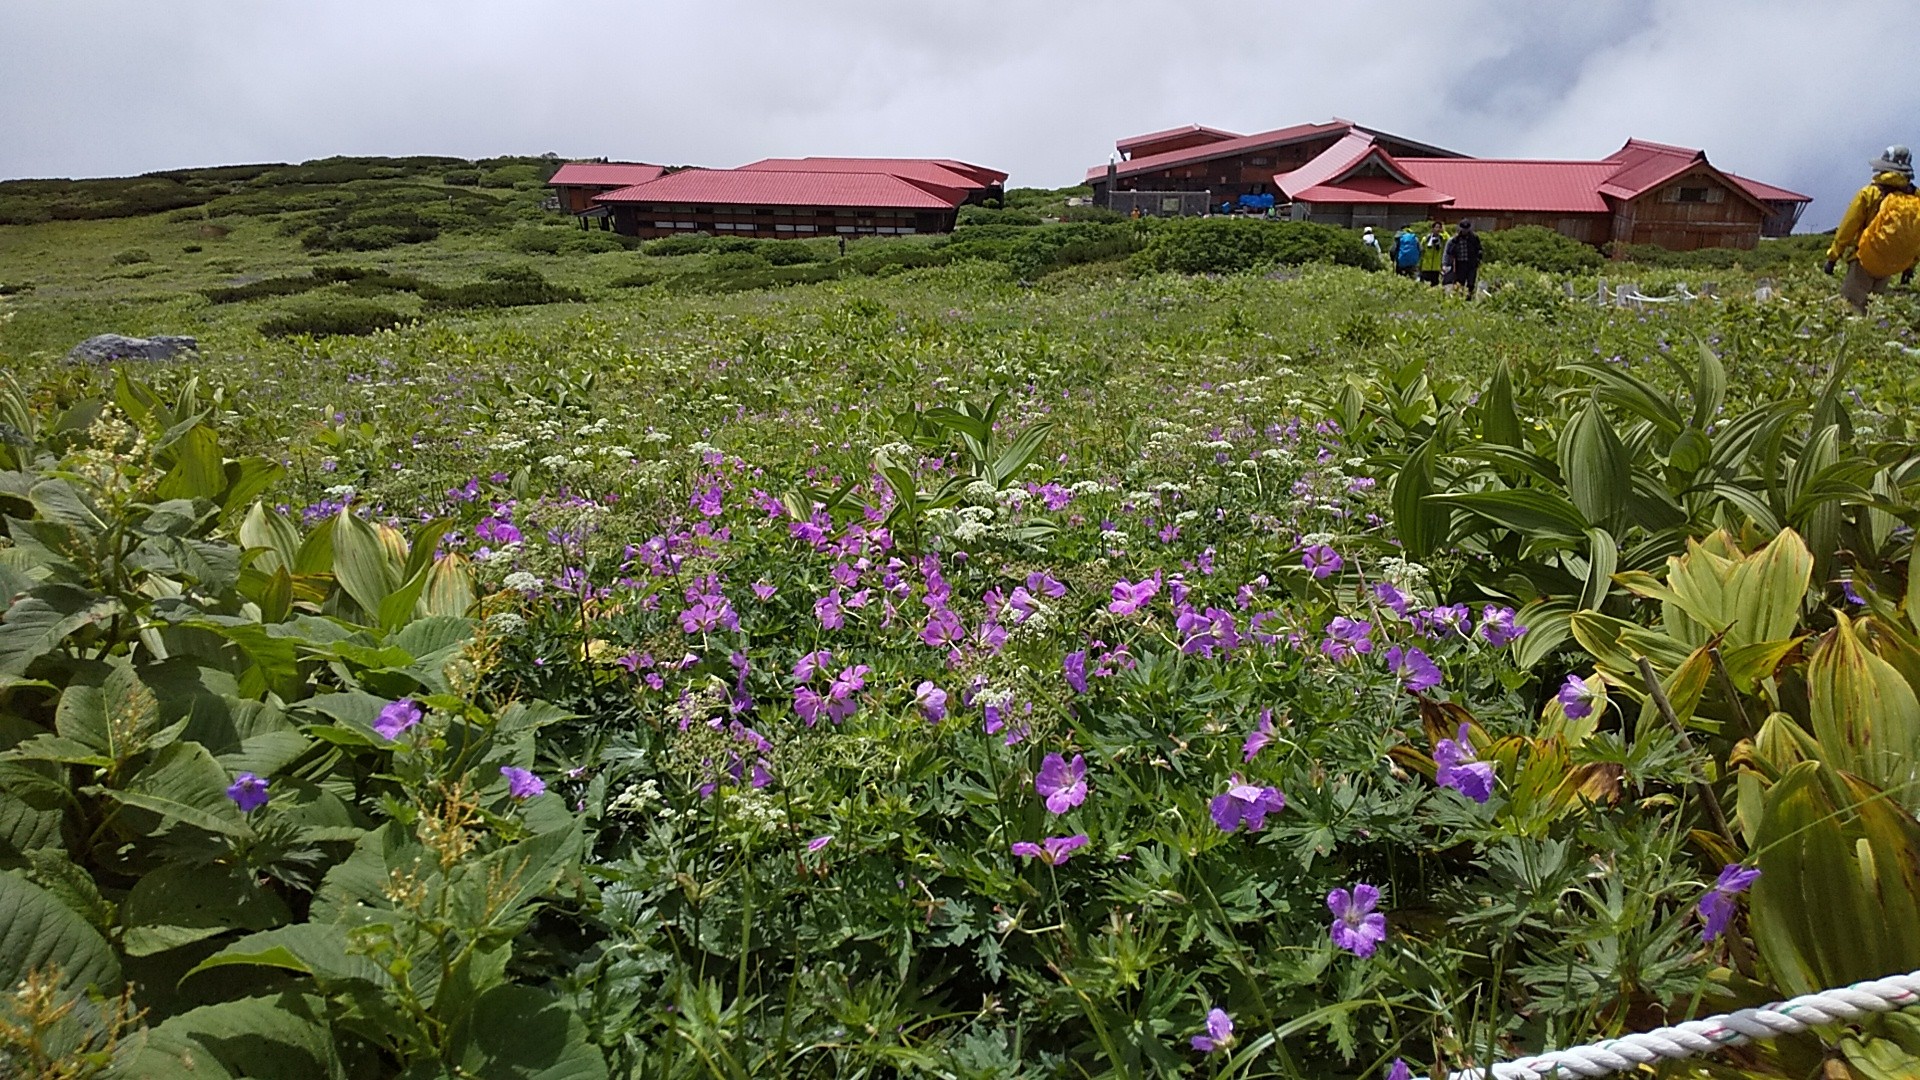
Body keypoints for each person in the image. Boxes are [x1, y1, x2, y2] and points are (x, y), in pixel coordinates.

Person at [1827, 146, 1917, 314]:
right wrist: (1910, 267)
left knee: (1849, 308)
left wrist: (1833, 257)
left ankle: (1851, 339)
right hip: (1891, 264)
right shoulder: (1915, 198)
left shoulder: (1869, 193)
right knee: (1874, 310)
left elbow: (1847, 228)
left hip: (1864, 260)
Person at [1442, 220, 1483, 297]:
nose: (1465, 231)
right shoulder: (1455, 239)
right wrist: (1446, 263)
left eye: (1466, 229)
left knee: (1471, 281)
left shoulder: (1474, 238)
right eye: (1463, 229)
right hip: (1460, 263)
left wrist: (1479, 259)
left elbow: (1479, 249)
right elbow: (1449, 252)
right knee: (1460, 281)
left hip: (1471, 263)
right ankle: (1460, 296)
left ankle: (1469, 296)